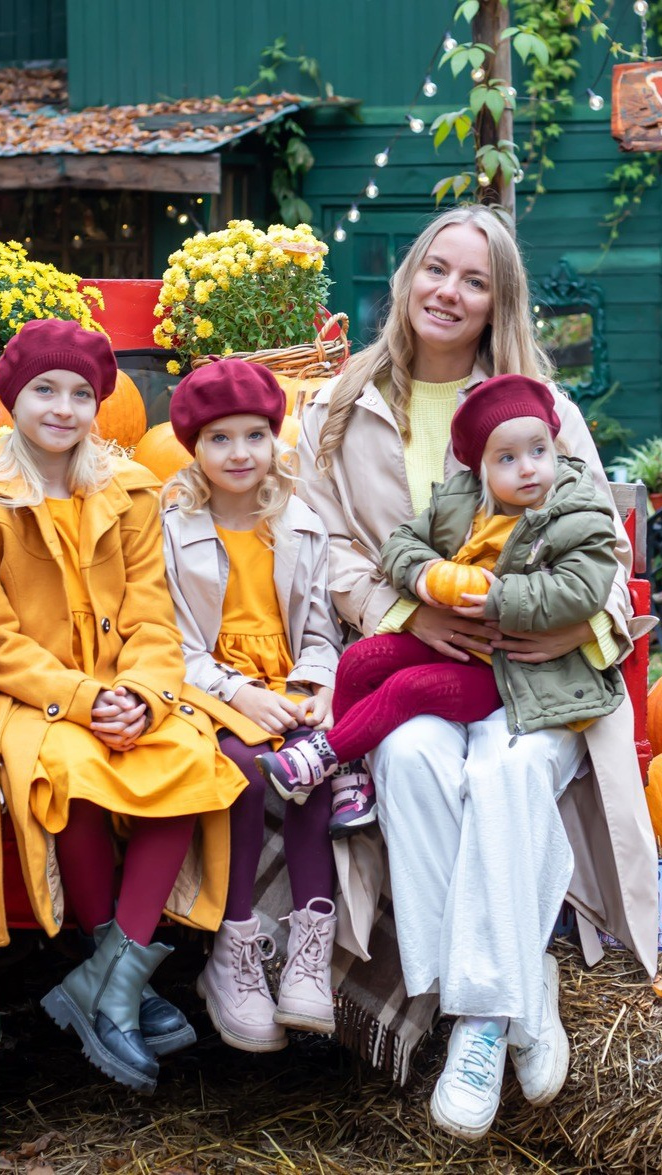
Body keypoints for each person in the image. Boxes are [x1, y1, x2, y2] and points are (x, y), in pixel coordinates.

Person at [295, 203, 658, 1141]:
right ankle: (518, 990)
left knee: (507, 774)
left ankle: (480, 1023)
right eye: (436, 269)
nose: (449, 292)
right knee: (410, 759)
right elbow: (326, 547)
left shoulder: (542, 409)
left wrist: (568, 626)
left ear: (500, 301)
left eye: (475, 280)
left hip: (538, 674)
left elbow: (606, 554)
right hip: (426, 656)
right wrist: (406, 613)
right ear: (409, 275)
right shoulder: (338, 406)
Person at [0, 318, 251, 1095]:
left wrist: (141, 696)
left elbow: (153, 616)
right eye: (45, 390)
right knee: (71, 771)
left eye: (81, 393)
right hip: (34, 698)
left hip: (128, 689)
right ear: (11, 398)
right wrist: (83, 699)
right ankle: (123, 989)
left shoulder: (128, 491)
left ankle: (108, 986)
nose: (63, 407)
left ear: (98, 404)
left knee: (187, 756)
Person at [256, 374, 625, 798]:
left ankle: (320, 759)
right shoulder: (461, 502)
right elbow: (402, 543)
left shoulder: (578, 513)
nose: (528, 467)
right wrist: (422, 574)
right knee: (360, 659)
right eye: (507, 458)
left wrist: (500, 598)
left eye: (539, 451)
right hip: (459, 642)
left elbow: (583, 588)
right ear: (481, 468)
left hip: (513, 669)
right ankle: (352, 776)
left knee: (408, 688)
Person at [161, 358, 347, 1053]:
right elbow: (173, 643)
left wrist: (313, 686)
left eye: (254, 436)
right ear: (194, 447)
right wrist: (238, 692)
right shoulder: (173, 529)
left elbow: (322, 631)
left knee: (311, 767)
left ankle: (309, 950)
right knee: (242, 766)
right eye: (219, 439)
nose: (239, 453)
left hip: (286, 686)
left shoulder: (300, 524)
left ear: (275, 440)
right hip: (212, 691)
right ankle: (233, 947)